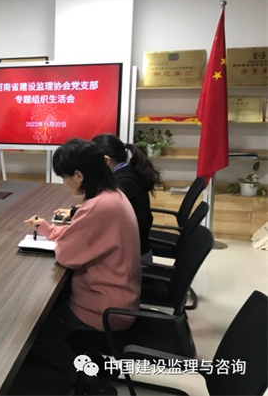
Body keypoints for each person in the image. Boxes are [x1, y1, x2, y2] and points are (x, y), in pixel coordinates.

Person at [18, 139, 141, 384]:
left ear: (78, 175)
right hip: (119, 295)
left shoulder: (99, 206)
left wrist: (58, 238)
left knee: (32, 332)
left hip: (104, 307)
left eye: (64, 177)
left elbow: (67, 255)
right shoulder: (112, 195)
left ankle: (85, 376)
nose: (64, 183)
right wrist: (50, 230)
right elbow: (83, 235)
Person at [92, 133, 161, 263]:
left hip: (133, 260)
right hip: (137, 249)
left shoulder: (123, 184)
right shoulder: (128, 173)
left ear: (107, 160)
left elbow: (104, 215)